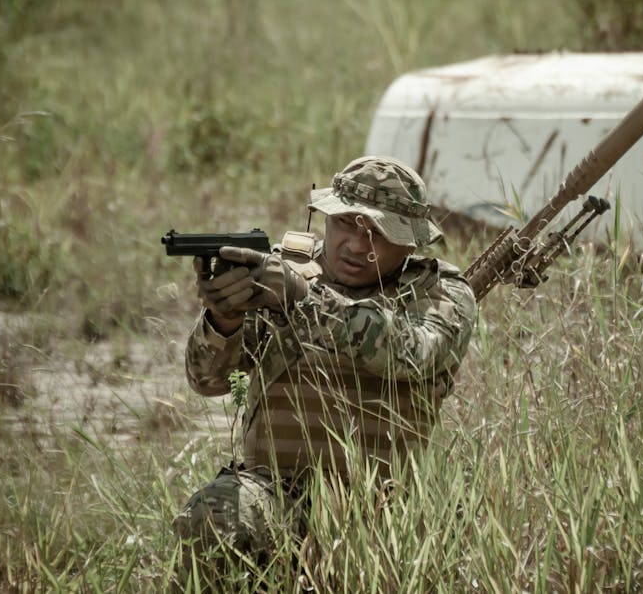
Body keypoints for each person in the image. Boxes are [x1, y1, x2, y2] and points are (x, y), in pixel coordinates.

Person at [171, 155, 478, 574]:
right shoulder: (282, 272)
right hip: (278, 495)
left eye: (376, 233)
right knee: (215, 516)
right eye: (345, 223)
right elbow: (206, 381)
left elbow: (412, 354)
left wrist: (304, 300)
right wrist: (225, 319)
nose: (355, 245)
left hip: (387, 505)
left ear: (409, 242)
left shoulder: (440, 293)